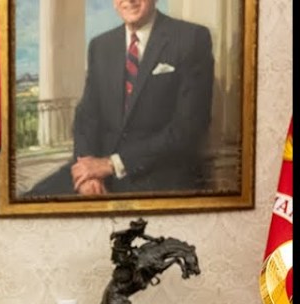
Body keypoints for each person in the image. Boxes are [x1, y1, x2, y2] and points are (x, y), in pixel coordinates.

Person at [26, 0, 214, 197]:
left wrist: (112, 164)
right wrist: (88, 173)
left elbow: (189, 128)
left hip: (158, 173)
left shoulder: (191, 38)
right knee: (28, 201)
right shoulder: (101, 45)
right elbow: (87, 117)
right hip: (98, 171)